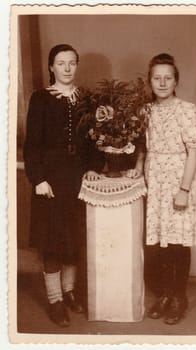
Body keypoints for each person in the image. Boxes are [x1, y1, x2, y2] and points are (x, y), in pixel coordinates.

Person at [23, 44, 102, 327]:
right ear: (51, 67)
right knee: (52, 242)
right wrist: (39, 179)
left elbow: (95, 140)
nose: (67, 68)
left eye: (72, 63)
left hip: (77, 176)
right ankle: (55, 300)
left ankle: (69, 293)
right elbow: (31, 145)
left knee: (73, 240)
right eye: (61, 63)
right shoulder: (40, 99)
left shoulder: (86, 99)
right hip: (50, 178)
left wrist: (93, 168)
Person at [130, 53, 196, 324]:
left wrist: (184, 189)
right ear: (150, 81)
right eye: (156, 78)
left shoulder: (186, 109)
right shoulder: (145, 110)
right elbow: (143, 145)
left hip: (177, 180)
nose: (162, 83)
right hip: (155, 181)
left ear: (176, 81)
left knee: (176, 243)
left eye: (168, 78)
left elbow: (193, 153)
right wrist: (139, 166)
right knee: (159, 245)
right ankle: (164, 294)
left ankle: (179, 298)